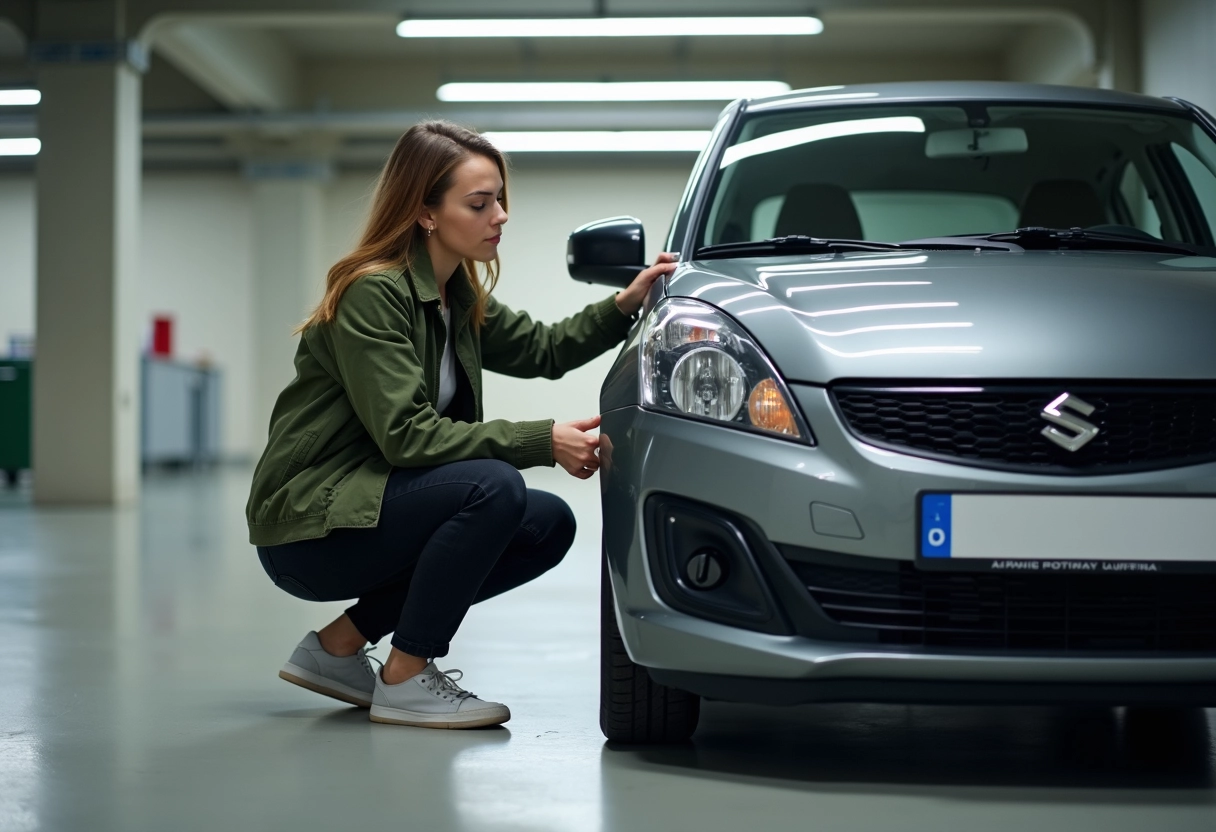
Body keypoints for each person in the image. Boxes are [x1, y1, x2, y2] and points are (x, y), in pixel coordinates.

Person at [246, 120, 676, 729]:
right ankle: (406, 676)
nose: (499, 215)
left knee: (546, 523)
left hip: (373, 507)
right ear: (425, 212)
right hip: (311, 529)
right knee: (493, 486)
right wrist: (540, 441)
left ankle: (338, 648)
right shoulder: (375, 293)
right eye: (479, 203)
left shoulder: (458, 294)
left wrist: (625, 303)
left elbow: (544, 350)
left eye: (499, 198)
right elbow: (407, 435)